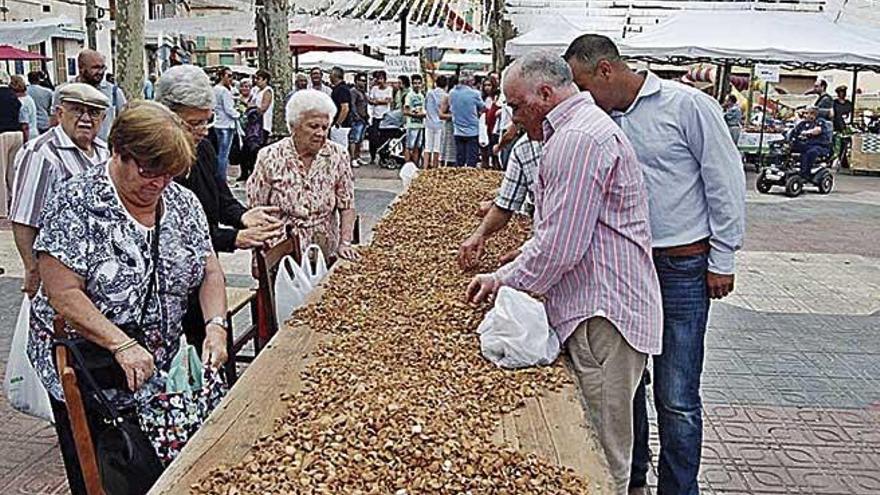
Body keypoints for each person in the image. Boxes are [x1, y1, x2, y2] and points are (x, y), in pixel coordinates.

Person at [465, 52, 662, 495]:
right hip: (601, 305)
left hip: (603, 311)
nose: (513, 116)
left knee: (599, 452)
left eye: (516, 105)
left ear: (546, 94)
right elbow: (557, 235)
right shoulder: (580, 131)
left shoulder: (578, 140)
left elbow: (559, 246)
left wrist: (502, 280)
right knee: (603, 438)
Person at [564, 34, 746, 495]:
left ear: (605, 70)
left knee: (678, 395)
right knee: (627, 386)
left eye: (582, 85)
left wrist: (723, 257)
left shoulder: (686, 106)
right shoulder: (599, 119)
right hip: (626, 269)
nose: (580, 97)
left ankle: (679, 489)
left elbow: (724, 182)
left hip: (682, 266)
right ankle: (634, 481)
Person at [29, 101, 228, 495]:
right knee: (110, 469)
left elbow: (209, 271)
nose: (158, 183)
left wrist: (216, 326)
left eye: (168, 174)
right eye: (148, 171)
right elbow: (62, 292)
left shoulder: (183, 203)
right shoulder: (77, 202)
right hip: (95, 367)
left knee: (171, 467)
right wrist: (120, 343)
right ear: (118, 151)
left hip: (157, 365)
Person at [155, 65, 283, 348]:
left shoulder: (205, 148)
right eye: (193, 123)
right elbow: (175, 233)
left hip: (202, 272)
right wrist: (234, 238)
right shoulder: (154, 167)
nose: (202, 130)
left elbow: (221, 198)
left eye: (207, 121)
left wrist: (244, 217)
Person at [10, 83, 110, 299]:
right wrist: (33, 268)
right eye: (77, 110)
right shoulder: (41, 153)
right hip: (57, 268)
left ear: (103, 118)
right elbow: (24, 218)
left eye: (93, 112)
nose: (85, 118)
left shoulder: (104, 152)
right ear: (60, 113)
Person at [246, 90, 359, 261]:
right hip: (281, 252)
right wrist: (258, 259)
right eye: (313, 126)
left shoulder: (338, 155)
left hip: (325, 249)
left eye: (325, 127)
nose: (320, 133)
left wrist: (345, 243)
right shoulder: (269, 156)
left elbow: (347, 204)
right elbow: (256, 209)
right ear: (294, 126)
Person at [458, 134, 543, 269]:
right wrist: (480, 234)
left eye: (516, 113)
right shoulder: (523, 149)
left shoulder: (574, 137)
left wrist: (529, 252)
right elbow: (505, 204)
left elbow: (564, 224)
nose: (514, 123)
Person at [52, 49, 127, 141]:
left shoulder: (114, 92)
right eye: (95, 67)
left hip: (104, 151)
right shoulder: (63, 91)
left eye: (103, 67)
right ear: (81, 68)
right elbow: (54, 123)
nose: (100, 72)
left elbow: (125, 123)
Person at [448, 70, 485, 167]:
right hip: (472, 130)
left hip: (458, 130)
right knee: (471, 160)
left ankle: (459, 179)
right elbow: (483, 107)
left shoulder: (452, 93)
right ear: (471, 81)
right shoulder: (475, 94)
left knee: (460, 159)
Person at [789, 106, 832, 179]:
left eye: (807, 113)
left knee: (810, 152)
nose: (805, 115)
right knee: (786, 149)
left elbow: (817, 130)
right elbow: (794, 132)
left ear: (813, 114)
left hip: (818, 146)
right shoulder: (802, 123)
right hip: (805, 144)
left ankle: (805, 173)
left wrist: (807, 132)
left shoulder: (820, 121)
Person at [213, 66, 240, 183]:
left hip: (218, 123)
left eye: (232, 76)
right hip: (226, 125)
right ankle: (221, 178)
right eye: (228, 76)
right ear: (221, 76)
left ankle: (221, 176)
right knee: (224, 154)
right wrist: (238, 114)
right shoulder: (224, 91)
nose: (231, 78)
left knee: (221, 153)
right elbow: (229, 109)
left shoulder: (215, 89)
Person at [368, 70, 393, 165]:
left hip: (385, 117)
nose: (380, 81)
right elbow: (370, 100)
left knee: (384, 137)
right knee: (373, 137)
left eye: (381, 79)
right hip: (375, 116)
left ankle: (384, 157)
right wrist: (379, 101)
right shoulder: (374, 89)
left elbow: (388, 100)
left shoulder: (389, 89)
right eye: (378, 79)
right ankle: (372, 156)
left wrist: (377, 101)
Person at [423, 75, 448, 169]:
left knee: (428, 146)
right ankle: (434, 168)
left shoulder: (429, 93)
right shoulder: (446, 95)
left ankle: (425, 168)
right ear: (446, 84)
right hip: (440, 123)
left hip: (429, 122)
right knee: (437, 147)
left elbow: (425, 107)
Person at [349, 72, 370, 169]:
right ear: (356, 81)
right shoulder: (353, 91)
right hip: (357, 119)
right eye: (361, 80)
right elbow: (352, 105)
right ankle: (353, 158)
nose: (363, 83)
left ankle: (357, 157)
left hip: (364, 118)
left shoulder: (363, 92)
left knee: (360, 140)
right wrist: (356, 116)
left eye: (364, 81)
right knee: (354, 139)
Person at [403, 74, 426, 165]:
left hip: (420, 125)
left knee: (417, 147)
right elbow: (405, 111)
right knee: (409, 147)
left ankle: (414, 166)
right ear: (412, 84)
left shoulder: (421, 96)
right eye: (415, 83)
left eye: (419, 83)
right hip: (411, 125)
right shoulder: (409, 95)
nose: (417, 85)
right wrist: (415, 115)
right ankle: (407, 165)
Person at [480, 77, 502, 169]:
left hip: (494, 127)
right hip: (484, 126)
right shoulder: (482, 98)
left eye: (489, 85)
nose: (487, 88)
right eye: (485, 85)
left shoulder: (498, 98)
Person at [329, 66, 352, 147]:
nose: (329, 77)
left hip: (341, 127)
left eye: (330, 74)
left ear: (335, 75)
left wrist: (338, 124)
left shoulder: (341, 89)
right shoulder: (339, 88)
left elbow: (345, 108)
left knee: (339, 148)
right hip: (340, 125)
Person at [10, 75, 37, 142]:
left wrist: (25, 141)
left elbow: (24, 125)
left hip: (27, 136)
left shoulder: (21, 102)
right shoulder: (29, 98)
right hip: (34, 131)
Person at [439, 75, 458, 166]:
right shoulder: (447, 96)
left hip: (459, 127)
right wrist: (453, 116)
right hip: (449, 127)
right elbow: (441, 114)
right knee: (448, 149)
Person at [253, 69, 275, 143]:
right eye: (255, 78)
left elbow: (263, 108)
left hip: (264, 123)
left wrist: (253, 107)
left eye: (258, 79)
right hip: (256, 122)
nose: (256, 81)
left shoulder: (268, 91)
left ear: (265, 80)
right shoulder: (256, 90)